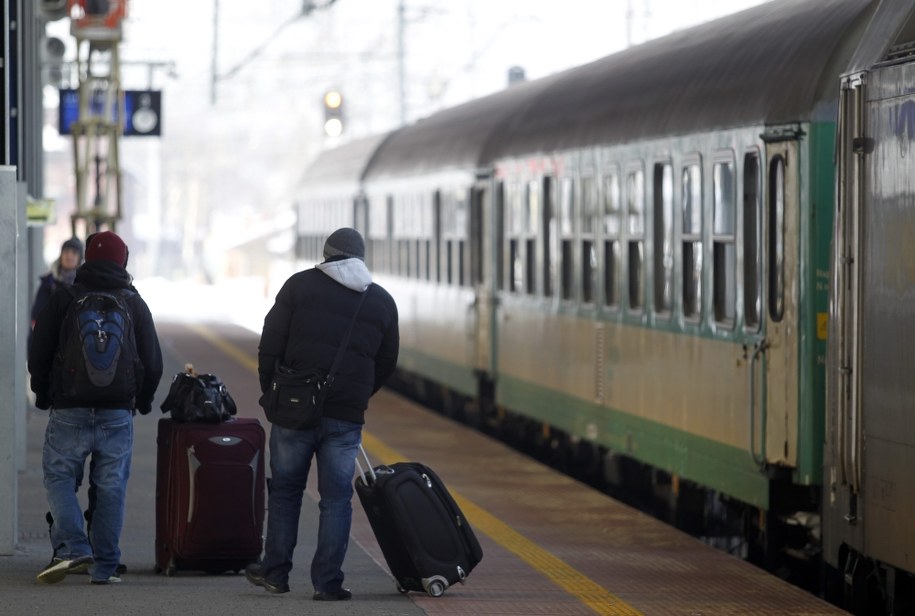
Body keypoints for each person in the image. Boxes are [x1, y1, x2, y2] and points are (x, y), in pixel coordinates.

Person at [247, 227, 399, 601]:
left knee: (285, 492)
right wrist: (357, 395)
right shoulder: (380, 301)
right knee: (336, 499)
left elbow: (270, 342)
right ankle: (327, 582)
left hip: (293, 410)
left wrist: (273, 391)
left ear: (327, 254)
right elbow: (387, 361)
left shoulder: (298, 286)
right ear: (361, 258)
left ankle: (276, 572)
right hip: (345, 417)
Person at [28, 230, 163, 585]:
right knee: (111, 486)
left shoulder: (65, 297)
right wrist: (142, 401)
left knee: (59, 478)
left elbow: (38, 350)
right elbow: (153, 362)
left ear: (88, 258)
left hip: (69, 407)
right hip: (117, 411)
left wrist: (42, 394)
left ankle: (74, 545)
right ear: (123, 261)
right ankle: (104, 567)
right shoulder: (133, 302)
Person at [30, 237, 83, 341]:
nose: (69, 255)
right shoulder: (48, 282)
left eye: (74, 252)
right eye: (66, 251)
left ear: (79, 258)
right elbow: (37, 315)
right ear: (61, 254)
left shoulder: (83, 284)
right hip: (50, 340)